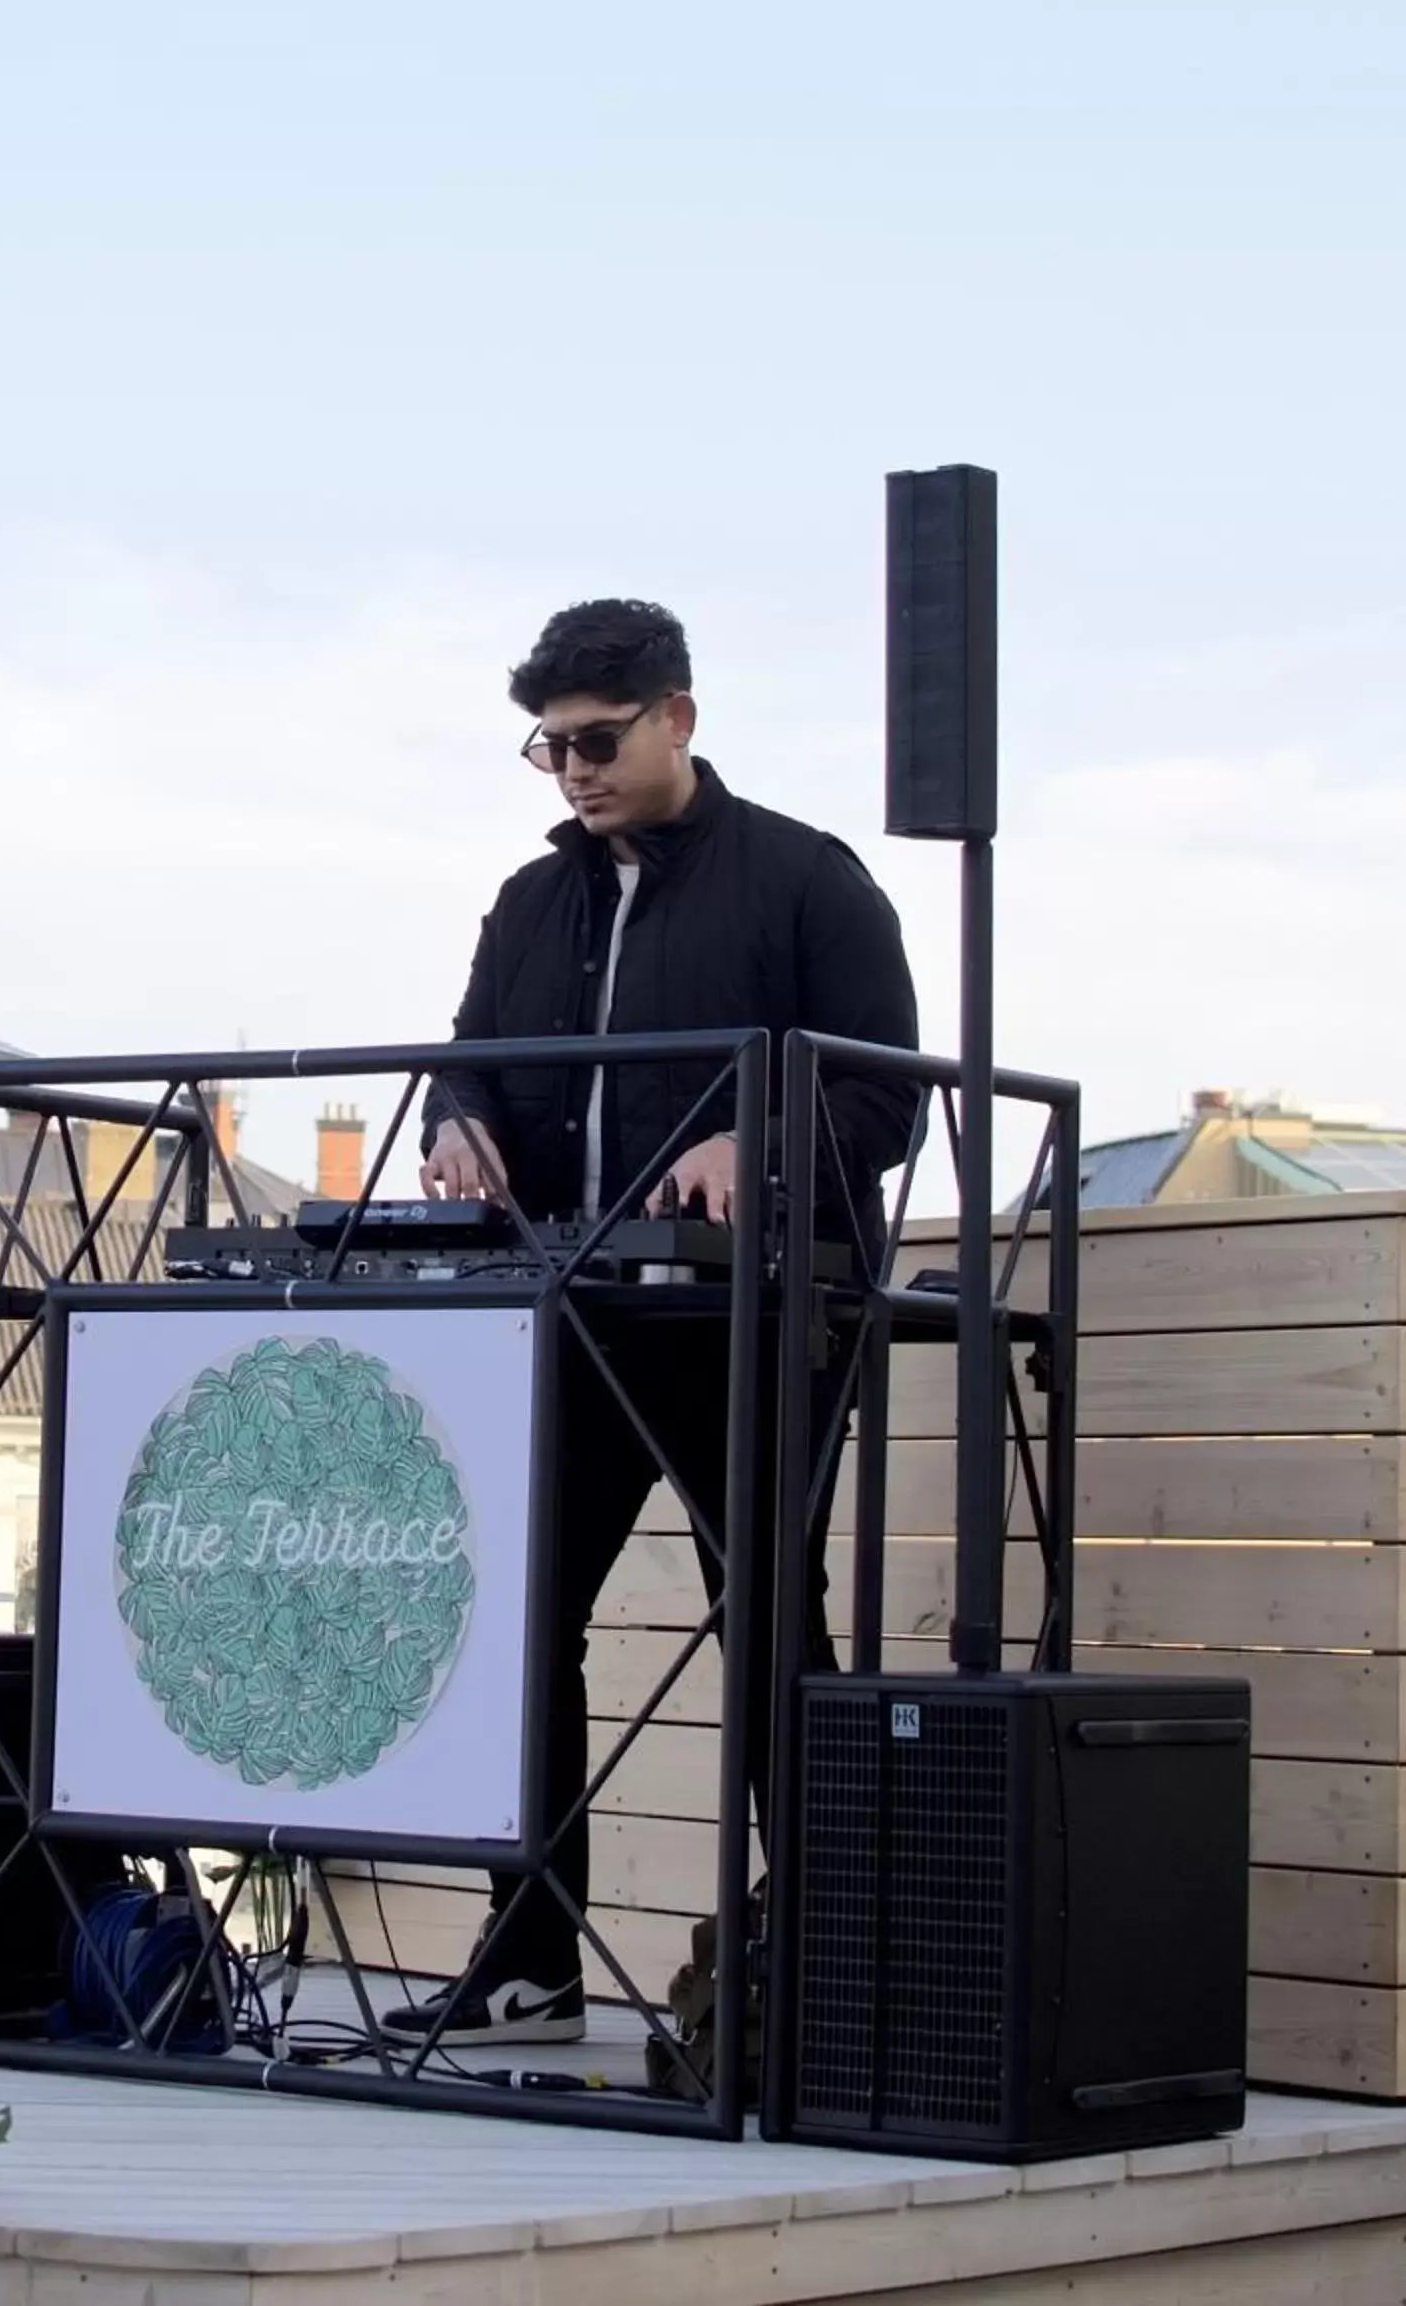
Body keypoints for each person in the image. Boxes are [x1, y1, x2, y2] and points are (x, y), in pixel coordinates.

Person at [383, 596, 918, 2050]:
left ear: (679, 717)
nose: (573, 771)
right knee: (524, 1620)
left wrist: (764, 1133)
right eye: (549, 750)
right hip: (572, 1320)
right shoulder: (530, 899)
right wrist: (458, 1126)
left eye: (597, 742)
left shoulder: (809, 880)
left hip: (748, 1322)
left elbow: (890, 1094)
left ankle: (803, 1959)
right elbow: (472, 1061)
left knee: (767, 1621)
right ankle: (531, 1957)